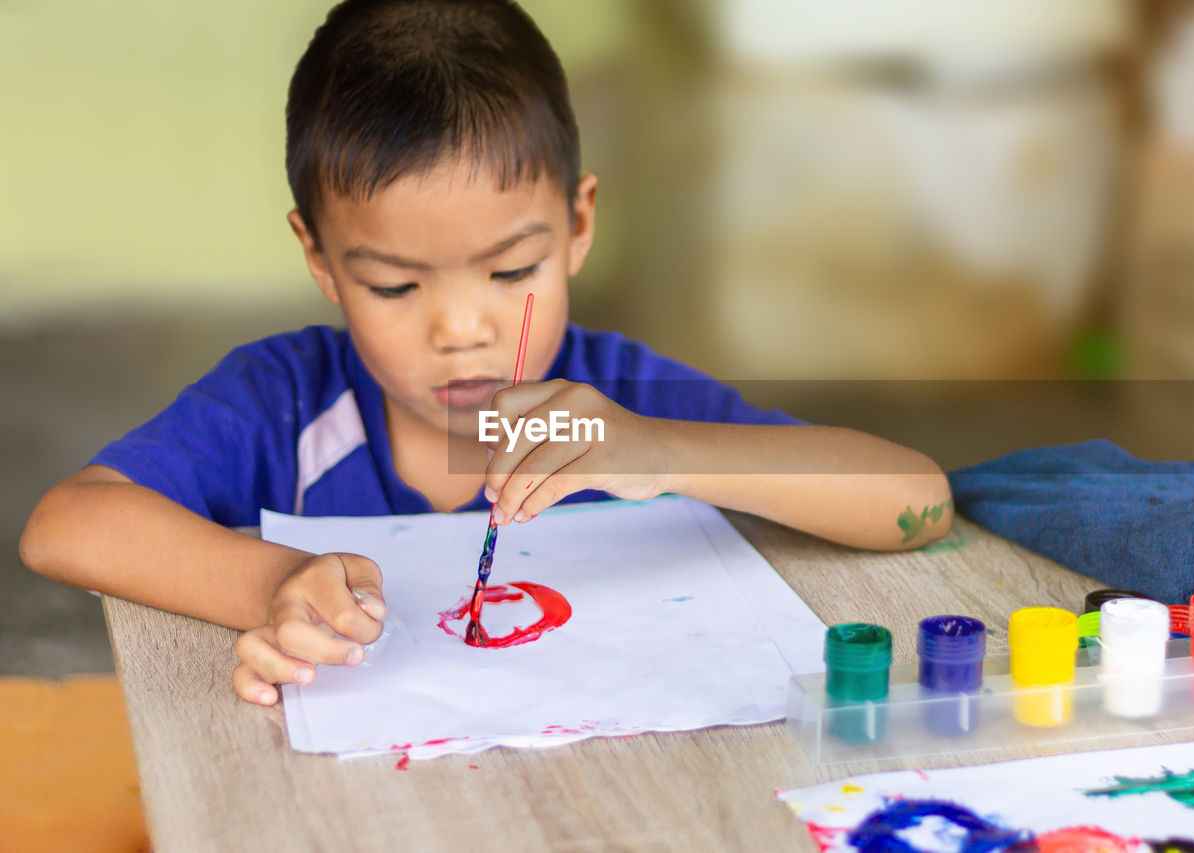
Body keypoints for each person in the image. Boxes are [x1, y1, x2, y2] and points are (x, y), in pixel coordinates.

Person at [20, 0, 951, 706]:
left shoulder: (620, 397)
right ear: (319, 259)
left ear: (579, 223)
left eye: (513, 271)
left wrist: (666, 452)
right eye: (395, 285)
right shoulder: (285, 402)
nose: (462, 329)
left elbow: (915, 500)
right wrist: (268, 582)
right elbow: (66, 524)